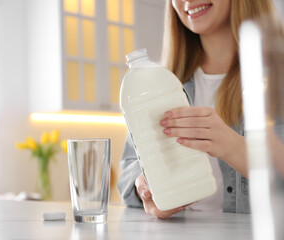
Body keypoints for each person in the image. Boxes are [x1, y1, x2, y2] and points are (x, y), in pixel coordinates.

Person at [118, 0, 276, 219]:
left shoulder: (277, 77)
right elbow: (128, 167)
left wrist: (234, 148)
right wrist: (145, 188)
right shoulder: (165, 82)